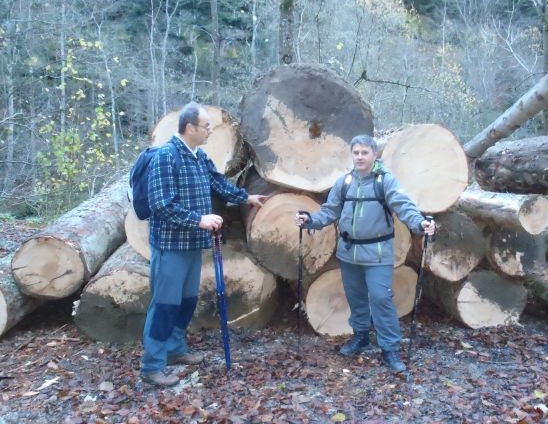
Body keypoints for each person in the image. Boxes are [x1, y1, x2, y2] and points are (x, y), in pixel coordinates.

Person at [141, 102, 267, 386]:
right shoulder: (166, 157)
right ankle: (152, 367)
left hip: (192, 246)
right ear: (189, 128)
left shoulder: (199, 156)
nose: (211, 130)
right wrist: (198, 219)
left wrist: (245, 197)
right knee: (164, 305)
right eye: (206, 126)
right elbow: (161, 204)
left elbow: (218, 183)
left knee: (186, 303)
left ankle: (175, 350)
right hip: (171, 246)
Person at [295, 135, 435, 373]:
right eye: (356, 153)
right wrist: (310, 220)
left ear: (374, 154)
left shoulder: (385, 182)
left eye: (364, 153)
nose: (360, 157)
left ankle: (390, 349)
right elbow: (330, 211)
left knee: (381, 298)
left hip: (378, 254)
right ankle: (361, 336)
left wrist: (420, 223)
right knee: (356, 297)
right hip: (349, 253)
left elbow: (404, 206)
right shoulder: (345, 182)